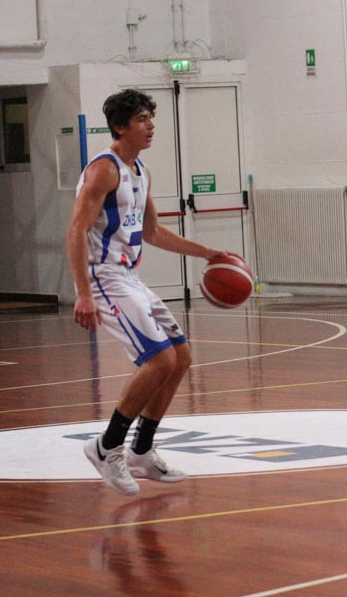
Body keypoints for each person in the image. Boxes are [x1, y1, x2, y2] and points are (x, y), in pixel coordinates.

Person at [66, 88, 227, 495]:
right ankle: (106, 447)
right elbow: (76, 231)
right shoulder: (104, 170)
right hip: (103, 277)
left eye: (151, 118)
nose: (151, 126)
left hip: (128, 277)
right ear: (121, 127)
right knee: (159, 360)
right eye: (141, 119)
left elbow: (152, 232)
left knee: (180, 358)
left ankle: (141, 451)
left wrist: (206, 252)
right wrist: (83, 293)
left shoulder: (140, 170)